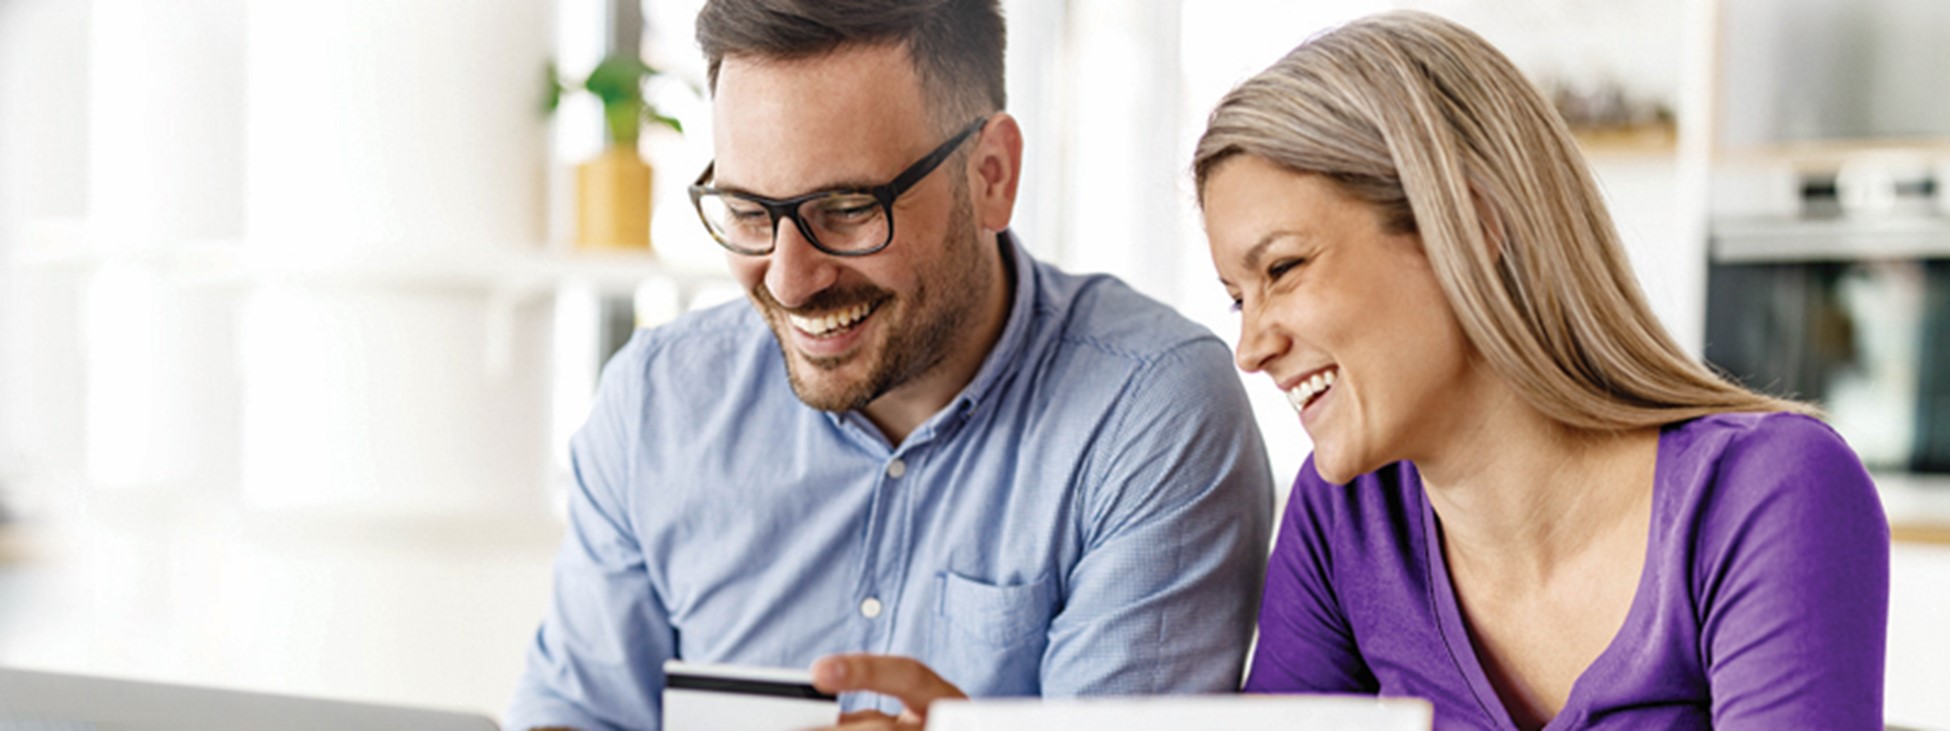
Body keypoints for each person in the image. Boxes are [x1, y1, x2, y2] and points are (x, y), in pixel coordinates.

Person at [505, 1, 1274, 729]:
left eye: (845, 210)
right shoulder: (657, 401)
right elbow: (576, 711)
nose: (786, 279)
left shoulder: (1148, 412)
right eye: (747, 211)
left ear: (991, 176)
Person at [1194, 10, 1888, 731]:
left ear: (1465, 224)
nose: (1251, 347)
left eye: (1282, 268)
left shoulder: (1762, 493)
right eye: (1238, 299)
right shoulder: (1348, 519)